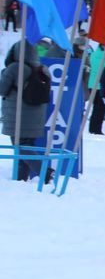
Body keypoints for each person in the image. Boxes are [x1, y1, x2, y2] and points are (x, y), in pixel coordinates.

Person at [0, 42, 51, 180]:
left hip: (17, 116)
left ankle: (45, 172)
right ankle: (20, 178)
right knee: (26, 146)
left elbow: (2, 89)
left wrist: (3, 73)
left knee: (20, 146)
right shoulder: (42, 69)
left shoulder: (15, 68)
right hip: (36, 117)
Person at [86, 44, 105, 135]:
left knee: (95, 108)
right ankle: (96, 129)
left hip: (91, 85)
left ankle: (92, 128)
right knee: (101, 109)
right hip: (102, 86)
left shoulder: (92, 56)